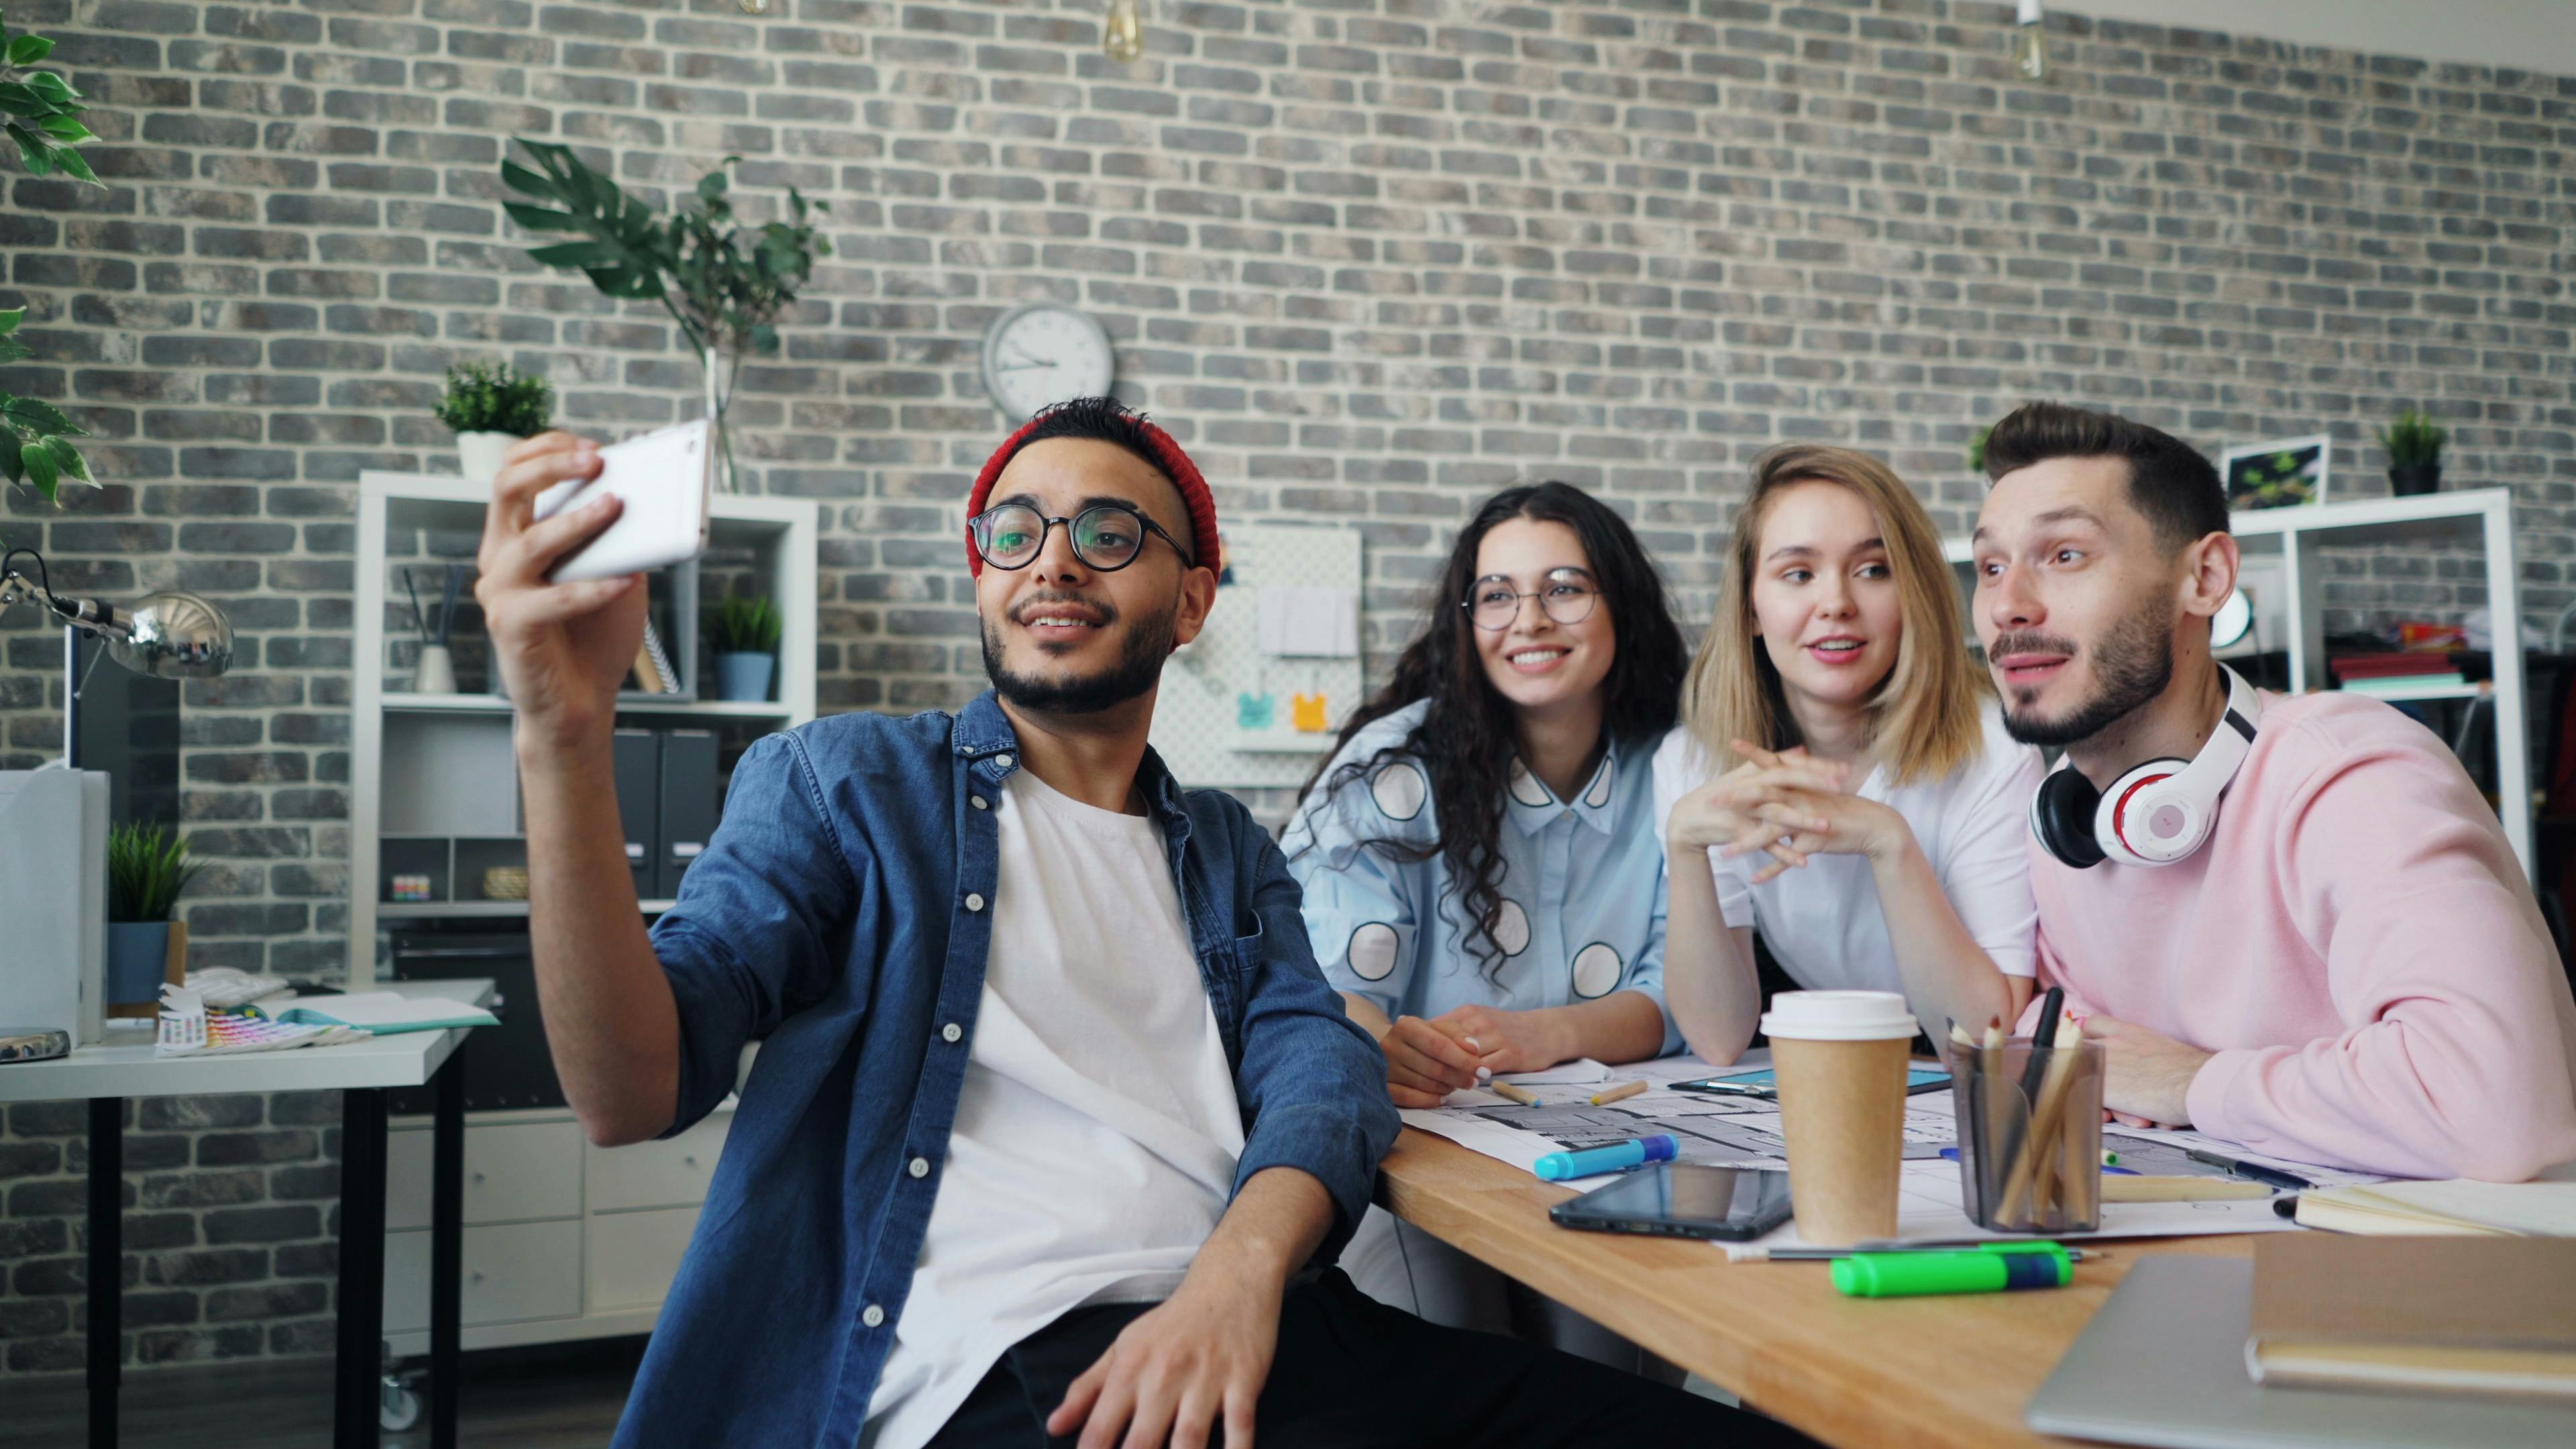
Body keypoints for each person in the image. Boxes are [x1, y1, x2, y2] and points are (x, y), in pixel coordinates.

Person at [476, 398, 1786, 1448]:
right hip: (1005, 1373)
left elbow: (1318, 1074)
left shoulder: (1222, 848)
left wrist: (1233, 1285)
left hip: (1274, 1326)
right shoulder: (846, 784)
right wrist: (563, 732)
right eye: (1016, 531)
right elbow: (631, 1088)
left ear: (1194, 599)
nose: (1053, 559)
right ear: (981, 571)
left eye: (1109, 533)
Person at [1968, 400, 2576, 1181]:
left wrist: (2195, 1082)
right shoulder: (2070, 827)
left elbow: (2499, 1112)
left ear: (2207, 577)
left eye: (2065, 556)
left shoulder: (2352, 777)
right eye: (1991, 567)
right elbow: (2064, 1042)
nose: (2010, 605)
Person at [1281, 481, 1688, 1357]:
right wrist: (1377, 1042)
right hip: (1415, 1155)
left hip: (1613, 1146)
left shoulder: (1679, 764)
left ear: (1622, 606)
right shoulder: (1393, 768)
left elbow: (1682, 993)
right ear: (1466, 621)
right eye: (1497, 595)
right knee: (1464, 1355)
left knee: (1615, 1363)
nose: (1529, 619)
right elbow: (1327, 984)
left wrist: (1546, 1033)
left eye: (1566, 588)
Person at [1653, 445, 2043, 1061]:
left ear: (1911, 591)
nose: (1836, 603)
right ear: (1752, 609)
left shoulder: (1996, 751)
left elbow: (1987, 1042)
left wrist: (1886, 841)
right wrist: (1684, 844)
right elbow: (1718, 1038)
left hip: (1954, 1077)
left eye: (1872, 570)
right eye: (1798, 574)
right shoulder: (1694, 762)